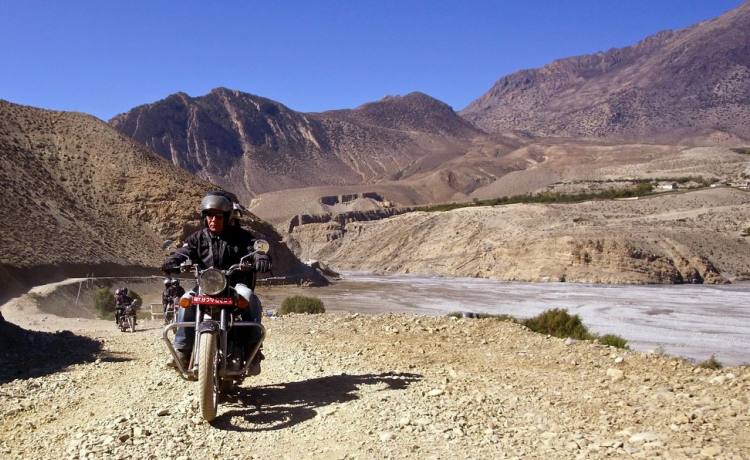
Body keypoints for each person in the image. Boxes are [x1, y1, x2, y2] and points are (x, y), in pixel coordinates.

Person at [162, 191, 271, 371]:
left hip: (234, 286)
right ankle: (182, 349)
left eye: (218, 216)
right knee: (185, 302)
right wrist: (173, 260)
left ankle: (253, 349)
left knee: (249, 298)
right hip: (205, 286)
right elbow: (185, 251)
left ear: (227, 217)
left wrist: (260, 257)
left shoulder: (242, 237)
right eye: (209, 216)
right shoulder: (197, 238)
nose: (213, 220)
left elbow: (255, 247)